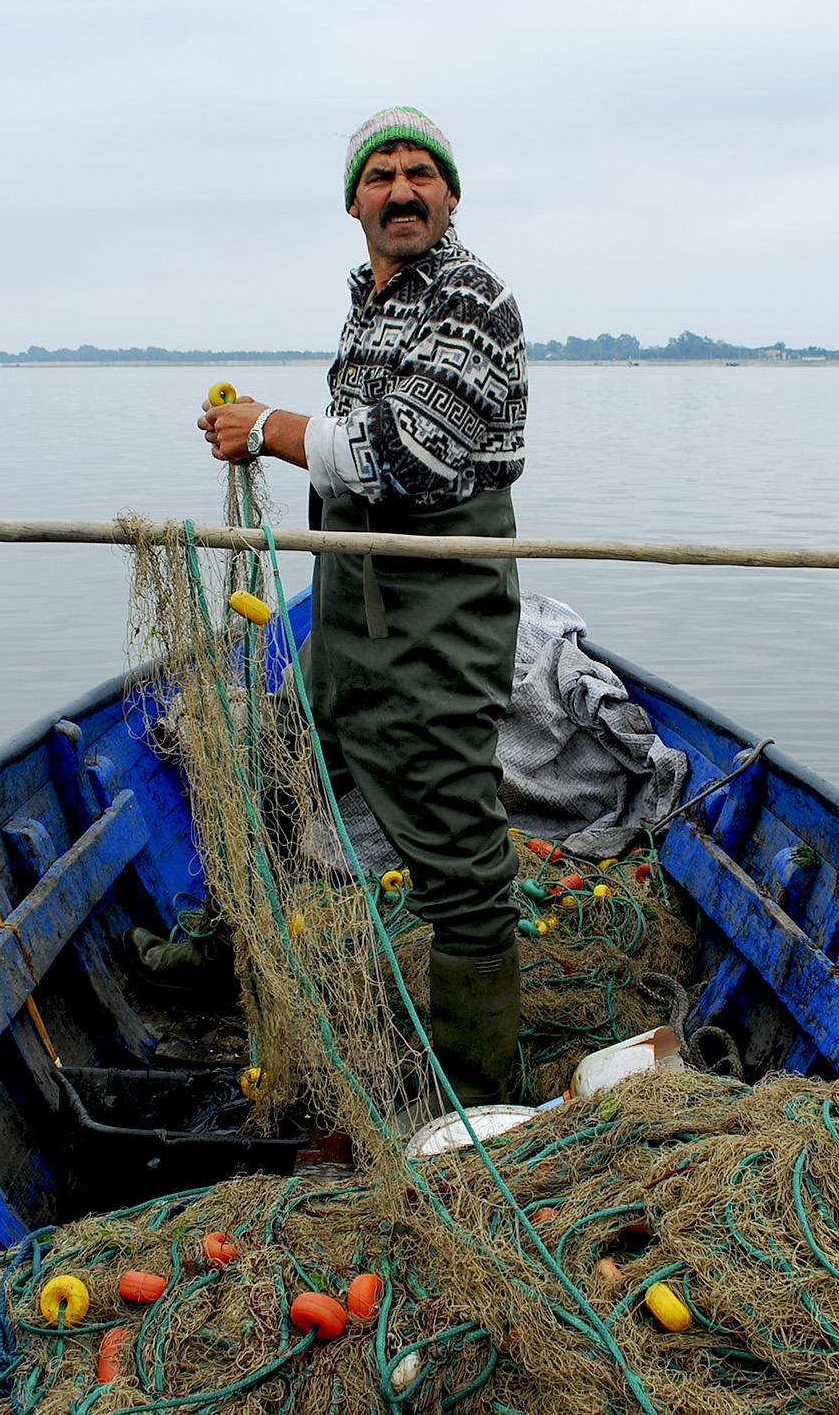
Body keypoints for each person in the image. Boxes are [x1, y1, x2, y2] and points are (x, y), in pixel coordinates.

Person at [195, 107, 528, 1106]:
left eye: (422, 173)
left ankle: (473, 1095)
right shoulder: (372, 303)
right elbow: (352, 442)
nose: (402, 190)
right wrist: (274, 432)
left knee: (462, 871)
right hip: (347, 621)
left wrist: (265, 425)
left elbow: (402, 454)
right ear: (354, 203)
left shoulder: (474, 300)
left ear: (451, 195)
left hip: (433, 630)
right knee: (276, 779)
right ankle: (226, 951)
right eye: (380, 175)